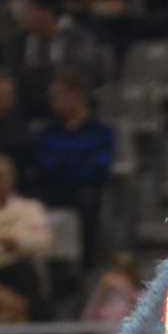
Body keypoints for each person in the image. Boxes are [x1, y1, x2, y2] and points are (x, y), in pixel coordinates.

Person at [33, 71, 114, 267]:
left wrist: (65, 165)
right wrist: (75, 163)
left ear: (76, 95)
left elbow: (99, 168)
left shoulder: (100, 132)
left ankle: (84, 268)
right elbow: (44, 165)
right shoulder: (48, 132)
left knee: (86, 201)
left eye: (57, 96)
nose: (53, 102)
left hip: (84, 197)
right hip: (52, 194)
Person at [0, 152, 51, 318]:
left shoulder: (31, 208)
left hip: (20, 271)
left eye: (1, 177)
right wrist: (12, 244)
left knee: (27, 276)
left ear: (12, 179)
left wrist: (14, 242)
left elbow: (42, 241)